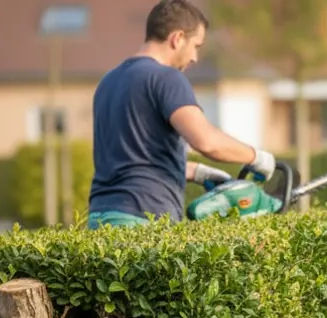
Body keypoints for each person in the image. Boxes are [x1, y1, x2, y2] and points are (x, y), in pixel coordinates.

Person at [87, 0, 276, 229]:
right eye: (196, 45)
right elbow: (207, 142)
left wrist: (195, 171)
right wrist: (256, 157)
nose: (195, 57)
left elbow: (130, 158)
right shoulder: (166, 78)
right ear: (177, 38)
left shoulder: (108, 82)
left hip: (99, 217)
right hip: (144, 216)